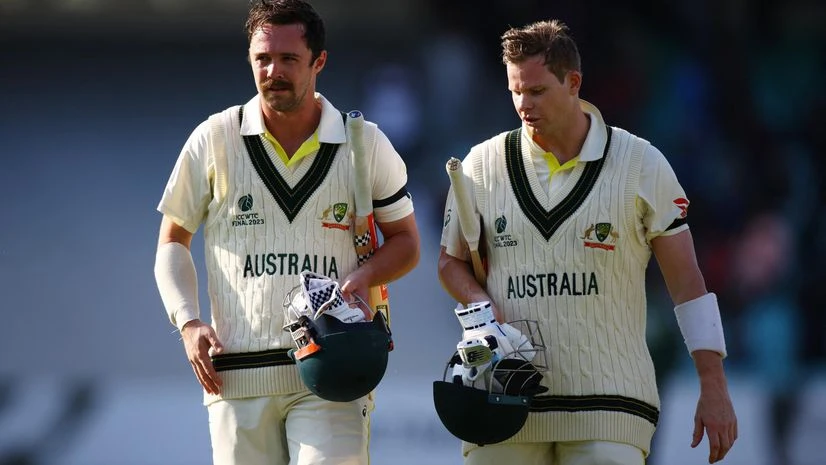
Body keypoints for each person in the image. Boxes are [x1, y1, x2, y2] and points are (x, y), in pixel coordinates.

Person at [438, 19, 737, 465]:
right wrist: (480, 305)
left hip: (610, 407)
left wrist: (713, 385)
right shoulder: (479, 165)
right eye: (515, 91)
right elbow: (450, 262)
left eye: (537, 91)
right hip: (500, 403)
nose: (524, 104)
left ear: (573, 82)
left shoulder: (640, 163)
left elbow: (687, 284)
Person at [153, 1, 420, 464]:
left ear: (319, 61)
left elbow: (407, 242)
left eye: (289, 59)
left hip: (334, 367)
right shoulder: (214, 138)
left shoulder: (364, 143)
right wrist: (188, 321)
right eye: (263, 58)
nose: (273, 71)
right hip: (236, 376)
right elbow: (172, 240)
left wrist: (364, 277)